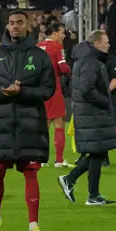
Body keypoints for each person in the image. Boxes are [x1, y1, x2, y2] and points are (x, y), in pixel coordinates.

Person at [0, 10, 55, 231]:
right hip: (2, 121)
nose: (14, 27)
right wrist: (2, 91)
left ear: (28, 26)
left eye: (19, 23)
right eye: (11, 23)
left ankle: (33, 226)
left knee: (31, 173)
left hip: (30, 123)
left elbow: (48, 89)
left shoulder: (40, 56)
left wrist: (23, 92)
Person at [57, 30, 116, 205]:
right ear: (97, 43)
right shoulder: (90, 62)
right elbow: (86, 89)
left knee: (97, 153)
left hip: (91, 114)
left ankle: (91, 193)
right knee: (97, 153)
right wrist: (105, 101)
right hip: (93, 114)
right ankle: (74, 182)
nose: (108, 44)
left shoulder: (88, 60)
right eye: (106, 42)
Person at [37, 20, 72, 167]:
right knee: (59, 122)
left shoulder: (38, 47)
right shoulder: (57, 46)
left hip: (40, 88)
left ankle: (41, 159)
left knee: (44, 124)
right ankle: (59, 160)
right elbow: (63, 67)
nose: (63, 36)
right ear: (54, 33)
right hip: (53, 86)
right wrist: (71, 71)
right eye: (62, 33)